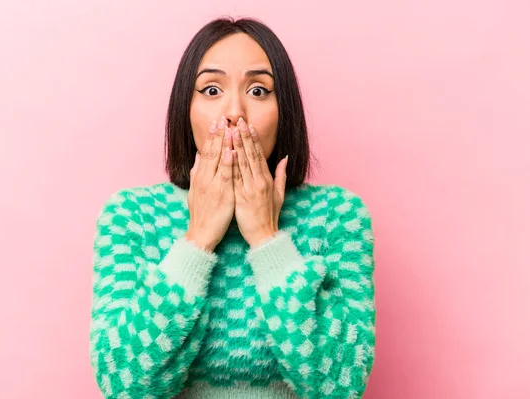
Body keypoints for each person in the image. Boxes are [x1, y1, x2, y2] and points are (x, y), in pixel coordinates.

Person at [89, 16, 376, 399]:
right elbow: (123, 383)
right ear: (185, 109)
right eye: (211, 90)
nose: (234, 112)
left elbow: (342, 385)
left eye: (258, 91)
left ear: (284, 109)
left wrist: (267, 239)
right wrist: (198, 239)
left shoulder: (337, 216)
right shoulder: (133, 216)